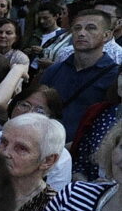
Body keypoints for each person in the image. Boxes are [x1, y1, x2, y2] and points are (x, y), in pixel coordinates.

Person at [42, 9, 120, 140]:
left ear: (106, 35)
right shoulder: (54, 70)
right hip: (47, 143)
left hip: (87, 152)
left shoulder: (115, 76)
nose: (82, 33)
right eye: (77, 28)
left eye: (91, 28)